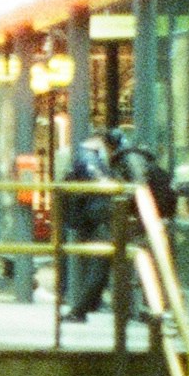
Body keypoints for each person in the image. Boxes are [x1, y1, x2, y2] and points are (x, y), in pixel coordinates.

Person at [59, 123, 122, 323]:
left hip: (90, 216)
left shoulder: (85, 156)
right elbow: (101, 182)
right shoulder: (89, 157)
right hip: (97, 217)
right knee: (100, 264)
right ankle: (81, 308)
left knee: (98, 263)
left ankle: (85, 306)